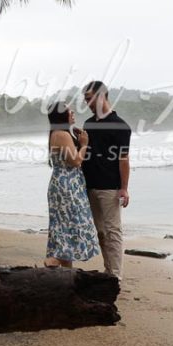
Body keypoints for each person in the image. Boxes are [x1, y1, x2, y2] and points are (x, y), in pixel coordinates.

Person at [82, 81, 131, 279]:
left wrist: (124, 188)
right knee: (100, 233)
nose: (87, 103)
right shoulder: (88, 124)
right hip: (90, 186)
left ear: (101, 96)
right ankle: (108, 271)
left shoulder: (120, 126)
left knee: (113, 232)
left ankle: (116, 277)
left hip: (110, 187)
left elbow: (124, 159)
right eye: (85, 100)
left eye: (89, 99)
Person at [44, 102, 101, 268]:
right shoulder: (61, 134)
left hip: (64, 184)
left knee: (64, 227)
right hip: (67, 186)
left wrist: (76, 139)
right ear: (63, 115)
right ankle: (53, 261)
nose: (73, 112)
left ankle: (66, 273)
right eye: (70, 111)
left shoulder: (59, 133)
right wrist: (84, 144)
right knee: (70, 225)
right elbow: (76, 161)